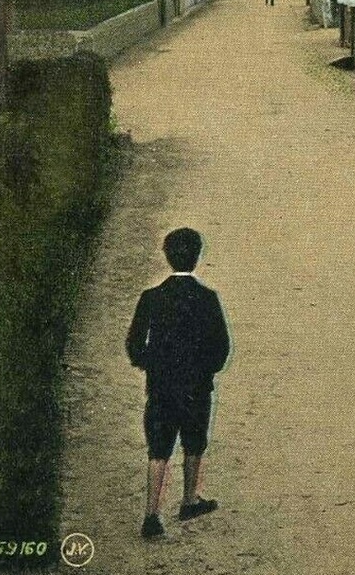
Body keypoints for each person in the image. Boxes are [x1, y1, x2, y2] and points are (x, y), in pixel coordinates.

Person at [126, 228, 231, 539]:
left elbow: (134, 343)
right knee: (194, 441)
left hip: (161, 387)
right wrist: (207, 370)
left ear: (167, 256)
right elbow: (221, 346)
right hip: (196, 387)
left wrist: (149, 364)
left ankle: (151, 513)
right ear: (197, 257)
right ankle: (189, 499)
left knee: (158, 448)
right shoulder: (208, 299)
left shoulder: (151, 298)